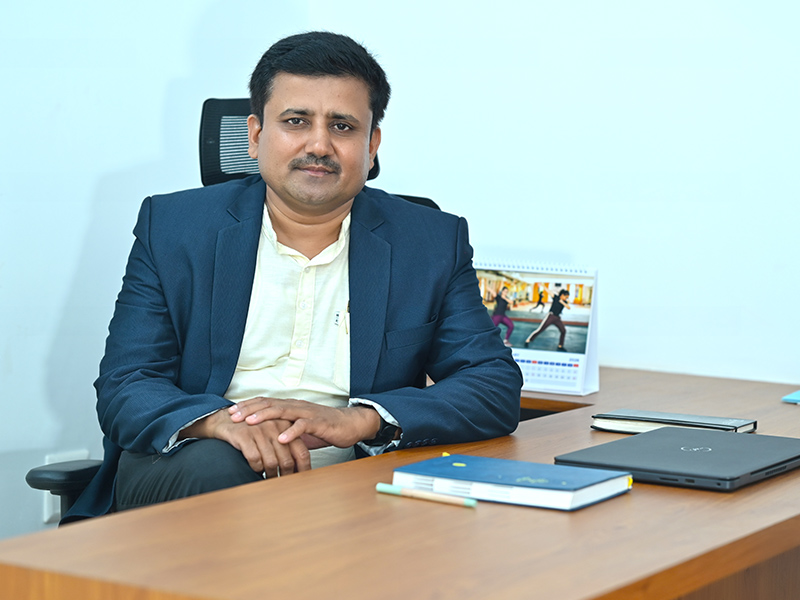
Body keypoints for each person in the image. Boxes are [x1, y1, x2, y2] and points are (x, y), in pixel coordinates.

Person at [64, 32, 522, 522]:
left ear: (371, 145)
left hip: (352, 488)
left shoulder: (428, 242)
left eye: (342, 126)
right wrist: (217, 424)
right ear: (256, 135)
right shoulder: (175, 229)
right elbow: (127, 383)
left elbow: (492, 385)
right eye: (296, 121)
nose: (319, 145)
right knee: (218, 467)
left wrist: (360, 420)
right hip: (194, 472)